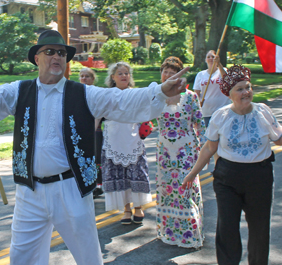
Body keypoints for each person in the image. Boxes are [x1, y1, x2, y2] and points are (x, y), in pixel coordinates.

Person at [0, 30, 189, 265]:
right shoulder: (19, 91)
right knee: (22, 255)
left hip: (71, 187)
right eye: (50, 52)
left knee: (88, 251)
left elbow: (122, 102)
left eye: (61, 53)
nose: (56, 57)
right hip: (30, 189)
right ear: (37, 57)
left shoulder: (83, 93)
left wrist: (160, 92)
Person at [182, 65, 282, 265]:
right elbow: (209, 148)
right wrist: (192, 173)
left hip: (259, 176)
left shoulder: (263, 111)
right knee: (227, 227)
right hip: (227, 177)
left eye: (248, 87)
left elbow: (280, 139)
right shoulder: (220, 116)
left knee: (259, 224)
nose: (245, 92)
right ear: (230, 93)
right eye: (240, 89)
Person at [155, 57, 206, 248]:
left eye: (172, 72)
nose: (168, 75)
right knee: (167, 190)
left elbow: (200, 125)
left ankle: (190, 234)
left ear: (179, 76)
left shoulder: (191, 97)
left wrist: (205, 153)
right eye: (165, 71)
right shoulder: (156, 96)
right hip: (164, 152)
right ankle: (169, 231)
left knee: (186, 190)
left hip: (187, 151)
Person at [101, 62, 152, 224]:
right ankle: (126, 209)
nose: (124, 76)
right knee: (119, 174)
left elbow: (146, 113)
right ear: (113, 77)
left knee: (136, 172)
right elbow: (98, 114)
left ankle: (138, 208)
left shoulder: (136, 94)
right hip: (113, 138)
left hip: (132, 137)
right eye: (120, 73)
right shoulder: (107, 95)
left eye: (126, 73)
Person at [78, 67, 104, 197]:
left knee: (96, 158)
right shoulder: (77, 93)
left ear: (93, 79)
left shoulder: (97, 93)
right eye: (82, 76)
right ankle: (86, 184)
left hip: (95, 131)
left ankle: (97, 185)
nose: (84, 78)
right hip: (79, 131)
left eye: (87, 76)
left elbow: (99, 113)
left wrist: (90, 130)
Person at [193, 50, 231, 127]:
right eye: (208, 57)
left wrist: (219, 64)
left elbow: (227, 80)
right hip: (206, 112)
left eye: (213, 57)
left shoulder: (223, 71)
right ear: (205, 60)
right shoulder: (200, 75)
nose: (211, 58)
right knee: (208, 136)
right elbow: (196, 93)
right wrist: (198, 103)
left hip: (223, 111)